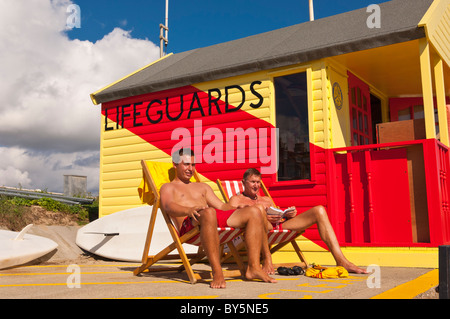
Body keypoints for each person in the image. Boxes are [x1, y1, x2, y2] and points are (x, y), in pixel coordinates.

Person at [159, 149, 277, 289]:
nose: (190, 169)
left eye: (193, 165)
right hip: (190, 225)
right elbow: (167, 206)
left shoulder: (203, 186)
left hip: (209, 220)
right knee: (208, 212)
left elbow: (221, 206)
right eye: (186, 164)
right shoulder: (168, 187)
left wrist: (238, 207)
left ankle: (254, 268)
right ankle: (217, 271)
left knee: (254, 211)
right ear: (175, 164)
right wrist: (188, 210)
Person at [229, 168, 368, 275]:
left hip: (277, 227)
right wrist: (259, 214)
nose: (256, 185)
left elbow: (276, 215)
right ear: (243, 183)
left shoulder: (266, 199)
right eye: (253, 182)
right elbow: (231, 219)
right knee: (258, 210)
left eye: (258, 182)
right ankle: (267, 259)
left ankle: (341, 260)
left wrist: (286, 215)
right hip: (258, 230)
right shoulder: (236, 199)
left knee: (319, 210)